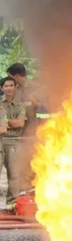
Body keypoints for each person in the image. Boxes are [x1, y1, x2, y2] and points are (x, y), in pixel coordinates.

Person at [1, 77, 26, 210]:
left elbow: (20, 123)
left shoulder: (20, 105)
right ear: (2, 88)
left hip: (14, 143)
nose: (9, 88)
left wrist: (5, 121)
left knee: (14, 175)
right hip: (0, 141)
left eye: (11, 85)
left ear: (15, 87)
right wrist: (11, 123)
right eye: (6, 86)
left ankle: (11, 205)